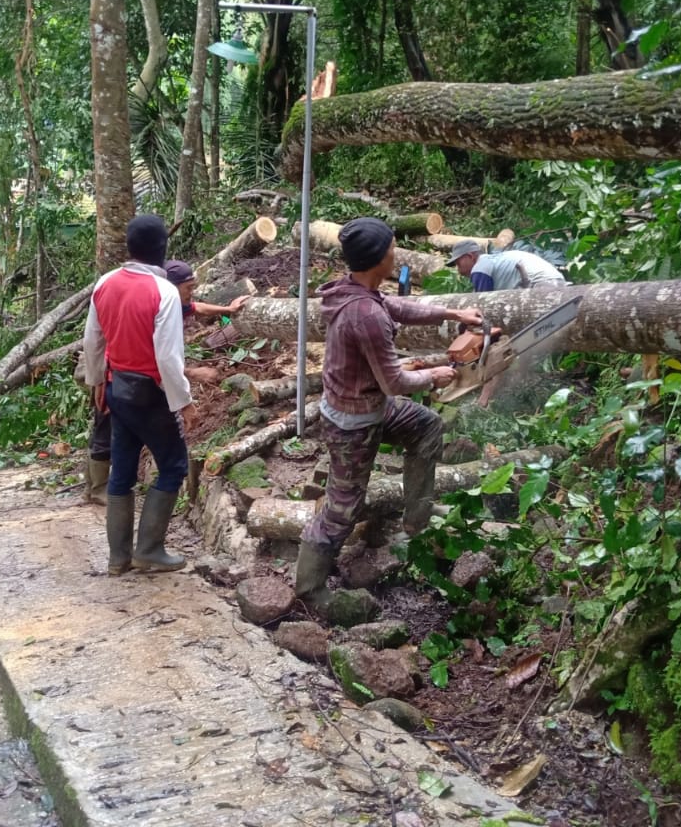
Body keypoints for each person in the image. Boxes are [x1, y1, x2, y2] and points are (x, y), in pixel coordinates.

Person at [295, 217, 484, 612]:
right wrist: (436, 374)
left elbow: (395, 306)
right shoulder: (364, 314)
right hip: (353, 422)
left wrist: (454, 315)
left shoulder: (358, 291)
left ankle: (418, 516)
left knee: (426, 426)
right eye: (391, 248)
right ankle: (309, 589)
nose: (395, 252)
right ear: (379, 258)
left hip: (366, 406)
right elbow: (395, 382)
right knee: (342, 509)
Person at [82, 215, 196, 576]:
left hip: (117, 390)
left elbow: (92, 340)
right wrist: (184, 401)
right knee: (174, 465)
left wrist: (98, 382)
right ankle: (148, 549)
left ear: (129, 247)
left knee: (123, 468)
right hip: (150, 395)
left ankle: (118, 557)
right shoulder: (164, 293)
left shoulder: (105, 283)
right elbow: (167, 358)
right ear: (162, 250)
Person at [446, 239, 566, 292]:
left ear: (470, 257)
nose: (459, 270)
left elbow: (483, 303)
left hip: (541, 284)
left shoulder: (480, 268)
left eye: (458, 263)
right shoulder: (493, 261)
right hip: (555, 280)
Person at [163, 260, 250, 322]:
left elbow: (198, 308)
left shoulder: (175, 304)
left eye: (192, 287)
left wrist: (229, 309)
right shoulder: (156, 310)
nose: (191, 292)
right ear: (171, 288)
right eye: (188, 288)